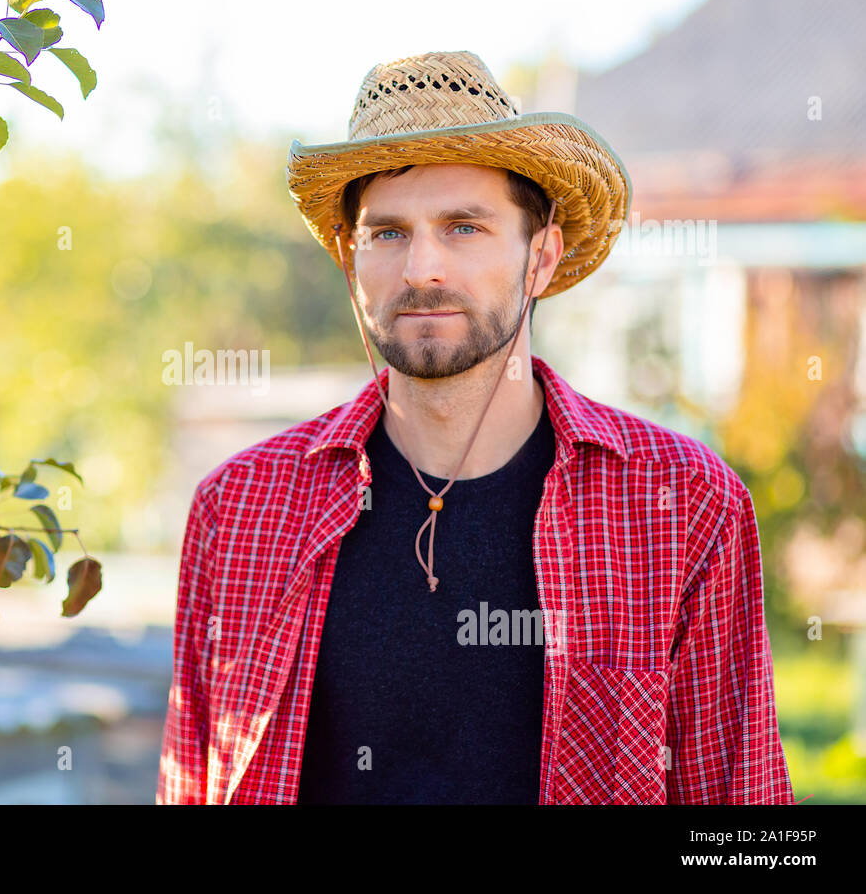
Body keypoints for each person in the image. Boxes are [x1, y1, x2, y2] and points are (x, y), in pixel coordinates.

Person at [156, 50, 795, 804]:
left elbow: (740, 811)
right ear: (348, 259)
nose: (422, 268)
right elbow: (190, 784)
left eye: (464, 226)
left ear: (542, 258)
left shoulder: (681, 503)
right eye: (387, 233)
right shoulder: (239, 510)